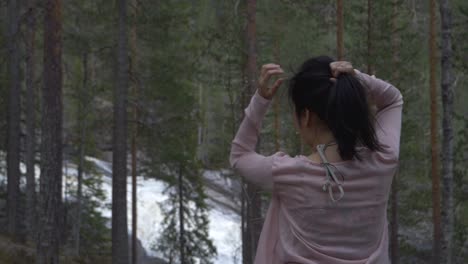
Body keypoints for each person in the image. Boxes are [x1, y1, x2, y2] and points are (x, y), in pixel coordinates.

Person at [230, 55, 403, 264]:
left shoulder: (287, 174)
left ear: (306, 116)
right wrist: (356, 77)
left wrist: (261, 100)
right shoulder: (382, 161)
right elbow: (393, 99)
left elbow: (240, 155)